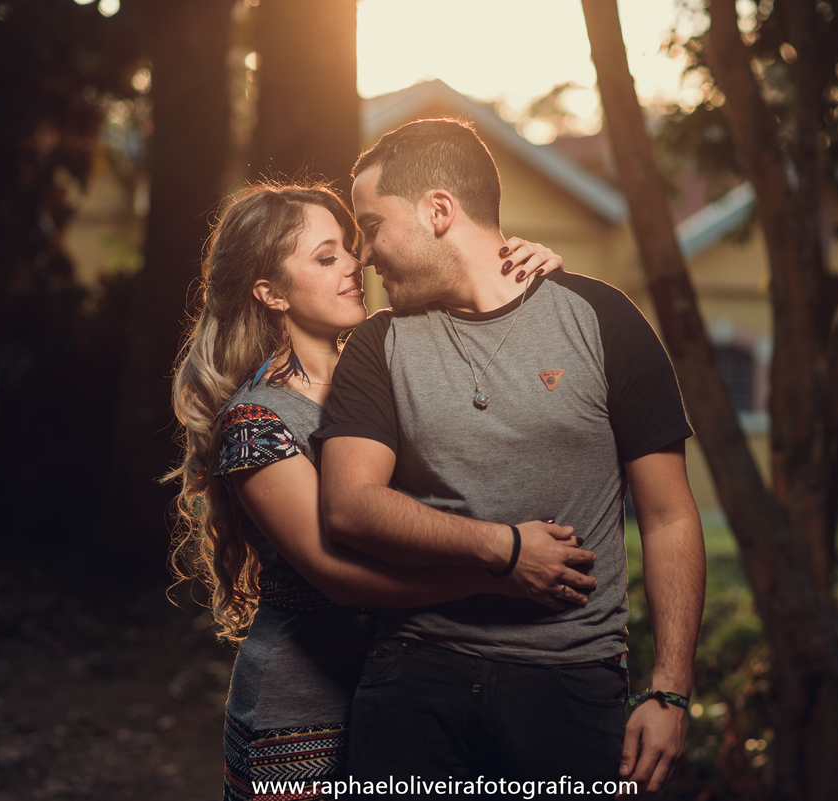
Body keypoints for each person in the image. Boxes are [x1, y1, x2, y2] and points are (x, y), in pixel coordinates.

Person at [318, 118, 707, 797]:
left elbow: (670, 516)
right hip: (414, 677)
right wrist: (503, 548)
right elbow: (350, 505)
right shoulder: (378, 344)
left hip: (570, 687)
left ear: (439, 210)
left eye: (372, 225)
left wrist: (670, 691)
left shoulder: (603, 320)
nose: (365, 255)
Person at [166, 181, 591, 801]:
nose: (354, 265)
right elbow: (337, 576)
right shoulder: (256, 422)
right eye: (325, 256)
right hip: (302, 717)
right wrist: (499, 568)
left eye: (349, 248)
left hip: (405, 698)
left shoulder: (393, 364)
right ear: (270, 293)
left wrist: (529, 277)